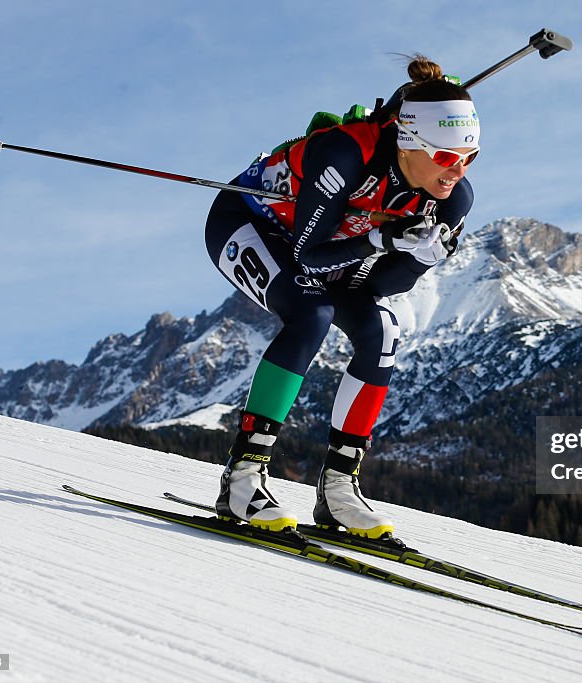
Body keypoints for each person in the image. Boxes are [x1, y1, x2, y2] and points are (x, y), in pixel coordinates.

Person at [203, 56, 480, 539]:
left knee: (383, 331)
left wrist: (419, 258)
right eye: (445, 157)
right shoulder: (344, 157)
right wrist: (383, 240)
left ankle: (338, 490)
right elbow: (308, 258)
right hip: (249, 223)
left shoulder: (451, 199)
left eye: (469, 157)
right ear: (409, 141)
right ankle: (242, 480)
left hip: (333, 251)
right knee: (311, 314)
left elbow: (378, 287)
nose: (456, 171)